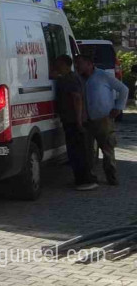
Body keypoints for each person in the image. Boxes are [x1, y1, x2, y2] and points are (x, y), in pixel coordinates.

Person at [75, 54, 127, 186]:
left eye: (80, 63)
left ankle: (111, 177)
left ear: (89, 64)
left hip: (103, 118)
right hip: (86, 120)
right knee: (87, 151)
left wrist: (118, 107)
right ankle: (90, 177)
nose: (77, 66)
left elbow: (123, 89)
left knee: (107, 149)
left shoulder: (103, 75)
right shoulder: (78, 78)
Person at [53, 55, 96, 190]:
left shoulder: (70, 79)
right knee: (76, 150)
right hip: (71, 120)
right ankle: (83, 178)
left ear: (66, 65)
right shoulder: (68, 78)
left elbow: (77, 99)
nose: (57, 67)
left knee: (77, 151)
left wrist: (78, 120)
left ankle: (84, 181)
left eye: (59, 64)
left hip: (73, 120)